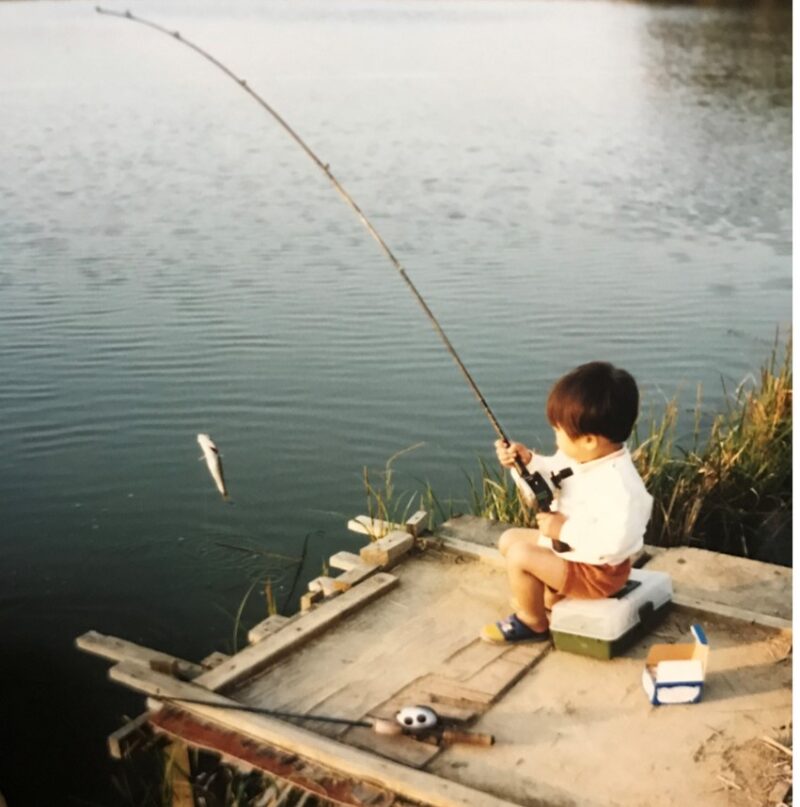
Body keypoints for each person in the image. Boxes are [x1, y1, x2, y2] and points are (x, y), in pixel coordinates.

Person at [480, 361, 653, 644]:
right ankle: (552, 594)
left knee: (521, 556)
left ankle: (533, 621)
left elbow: (617, 542)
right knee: (509, 540)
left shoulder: (621, 487)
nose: (556, 438)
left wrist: (563, 530)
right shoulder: (582, 457)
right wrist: (525, 463)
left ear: (588, 440)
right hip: (572, 554)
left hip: (598, 574)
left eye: (559, 431)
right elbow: (548, 480)